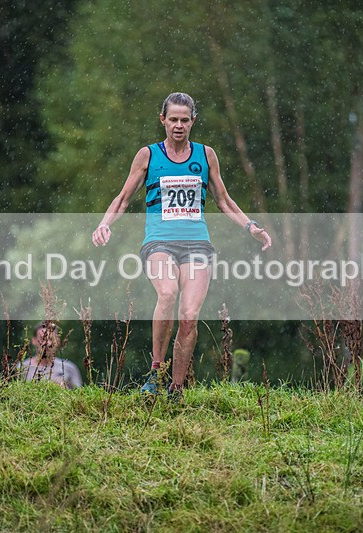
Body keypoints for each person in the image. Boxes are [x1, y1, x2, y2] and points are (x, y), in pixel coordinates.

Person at [91, 92, 271, 401]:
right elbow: (123, 198)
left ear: (193, 122)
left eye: (184, 120)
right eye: (172, 119)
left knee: (189, 315)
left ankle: (175, 388)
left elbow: (223, 200)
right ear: (162, 120)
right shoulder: (148, 155)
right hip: (159, 241)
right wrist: (105, 223)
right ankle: (156, 371)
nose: (178, 125)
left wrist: (251, 226)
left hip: (197, 244)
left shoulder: (205, 155)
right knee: (168, 293)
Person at [18, 321, 83, 389]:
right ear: (34, 340)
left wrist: (65, 390)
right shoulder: (23, 368)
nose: (47, 343)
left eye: (51, 339)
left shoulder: (69, 368)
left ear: (57, 341)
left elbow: (79, 396)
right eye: (42, 339)